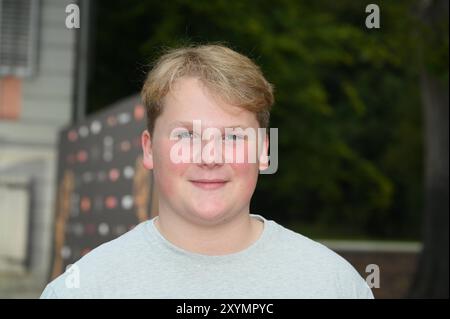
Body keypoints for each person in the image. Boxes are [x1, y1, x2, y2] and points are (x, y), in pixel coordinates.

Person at [40, 44, 374, 299]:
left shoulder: (333, 285)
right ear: (148, 149)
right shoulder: (83, 289)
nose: (210, 156)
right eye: (186, 135)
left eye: (232, 136)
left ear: (263, 151)